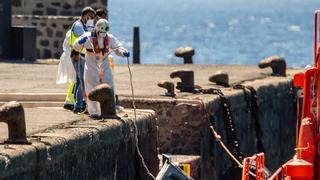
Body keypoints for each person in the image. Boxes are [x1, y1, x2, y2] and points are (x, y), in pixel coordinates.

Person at [73, 19, 130, 119]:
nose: (103, 32)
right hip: (91, 65)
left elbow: (118, 47)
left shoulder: (110, 38)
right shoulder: (88, 37)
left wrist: (123, 52)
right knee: (91, 87)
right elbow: (76, 46)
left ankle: (109, 110)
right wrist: (79, 42)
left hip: (105, 65)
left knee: (109, 85)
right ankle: (94, 112)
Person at [68, 6, 96, 113]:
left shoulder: (84, 25)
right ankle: (79, 105)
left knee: (79, 80)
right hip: (77, 54)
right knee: (82, 80)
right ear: (85, 15)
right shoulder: (79, 25)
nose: (91, 20)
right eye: (90, 17)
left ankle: (77, 104)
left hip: (81, 54)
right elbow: (85, 37)